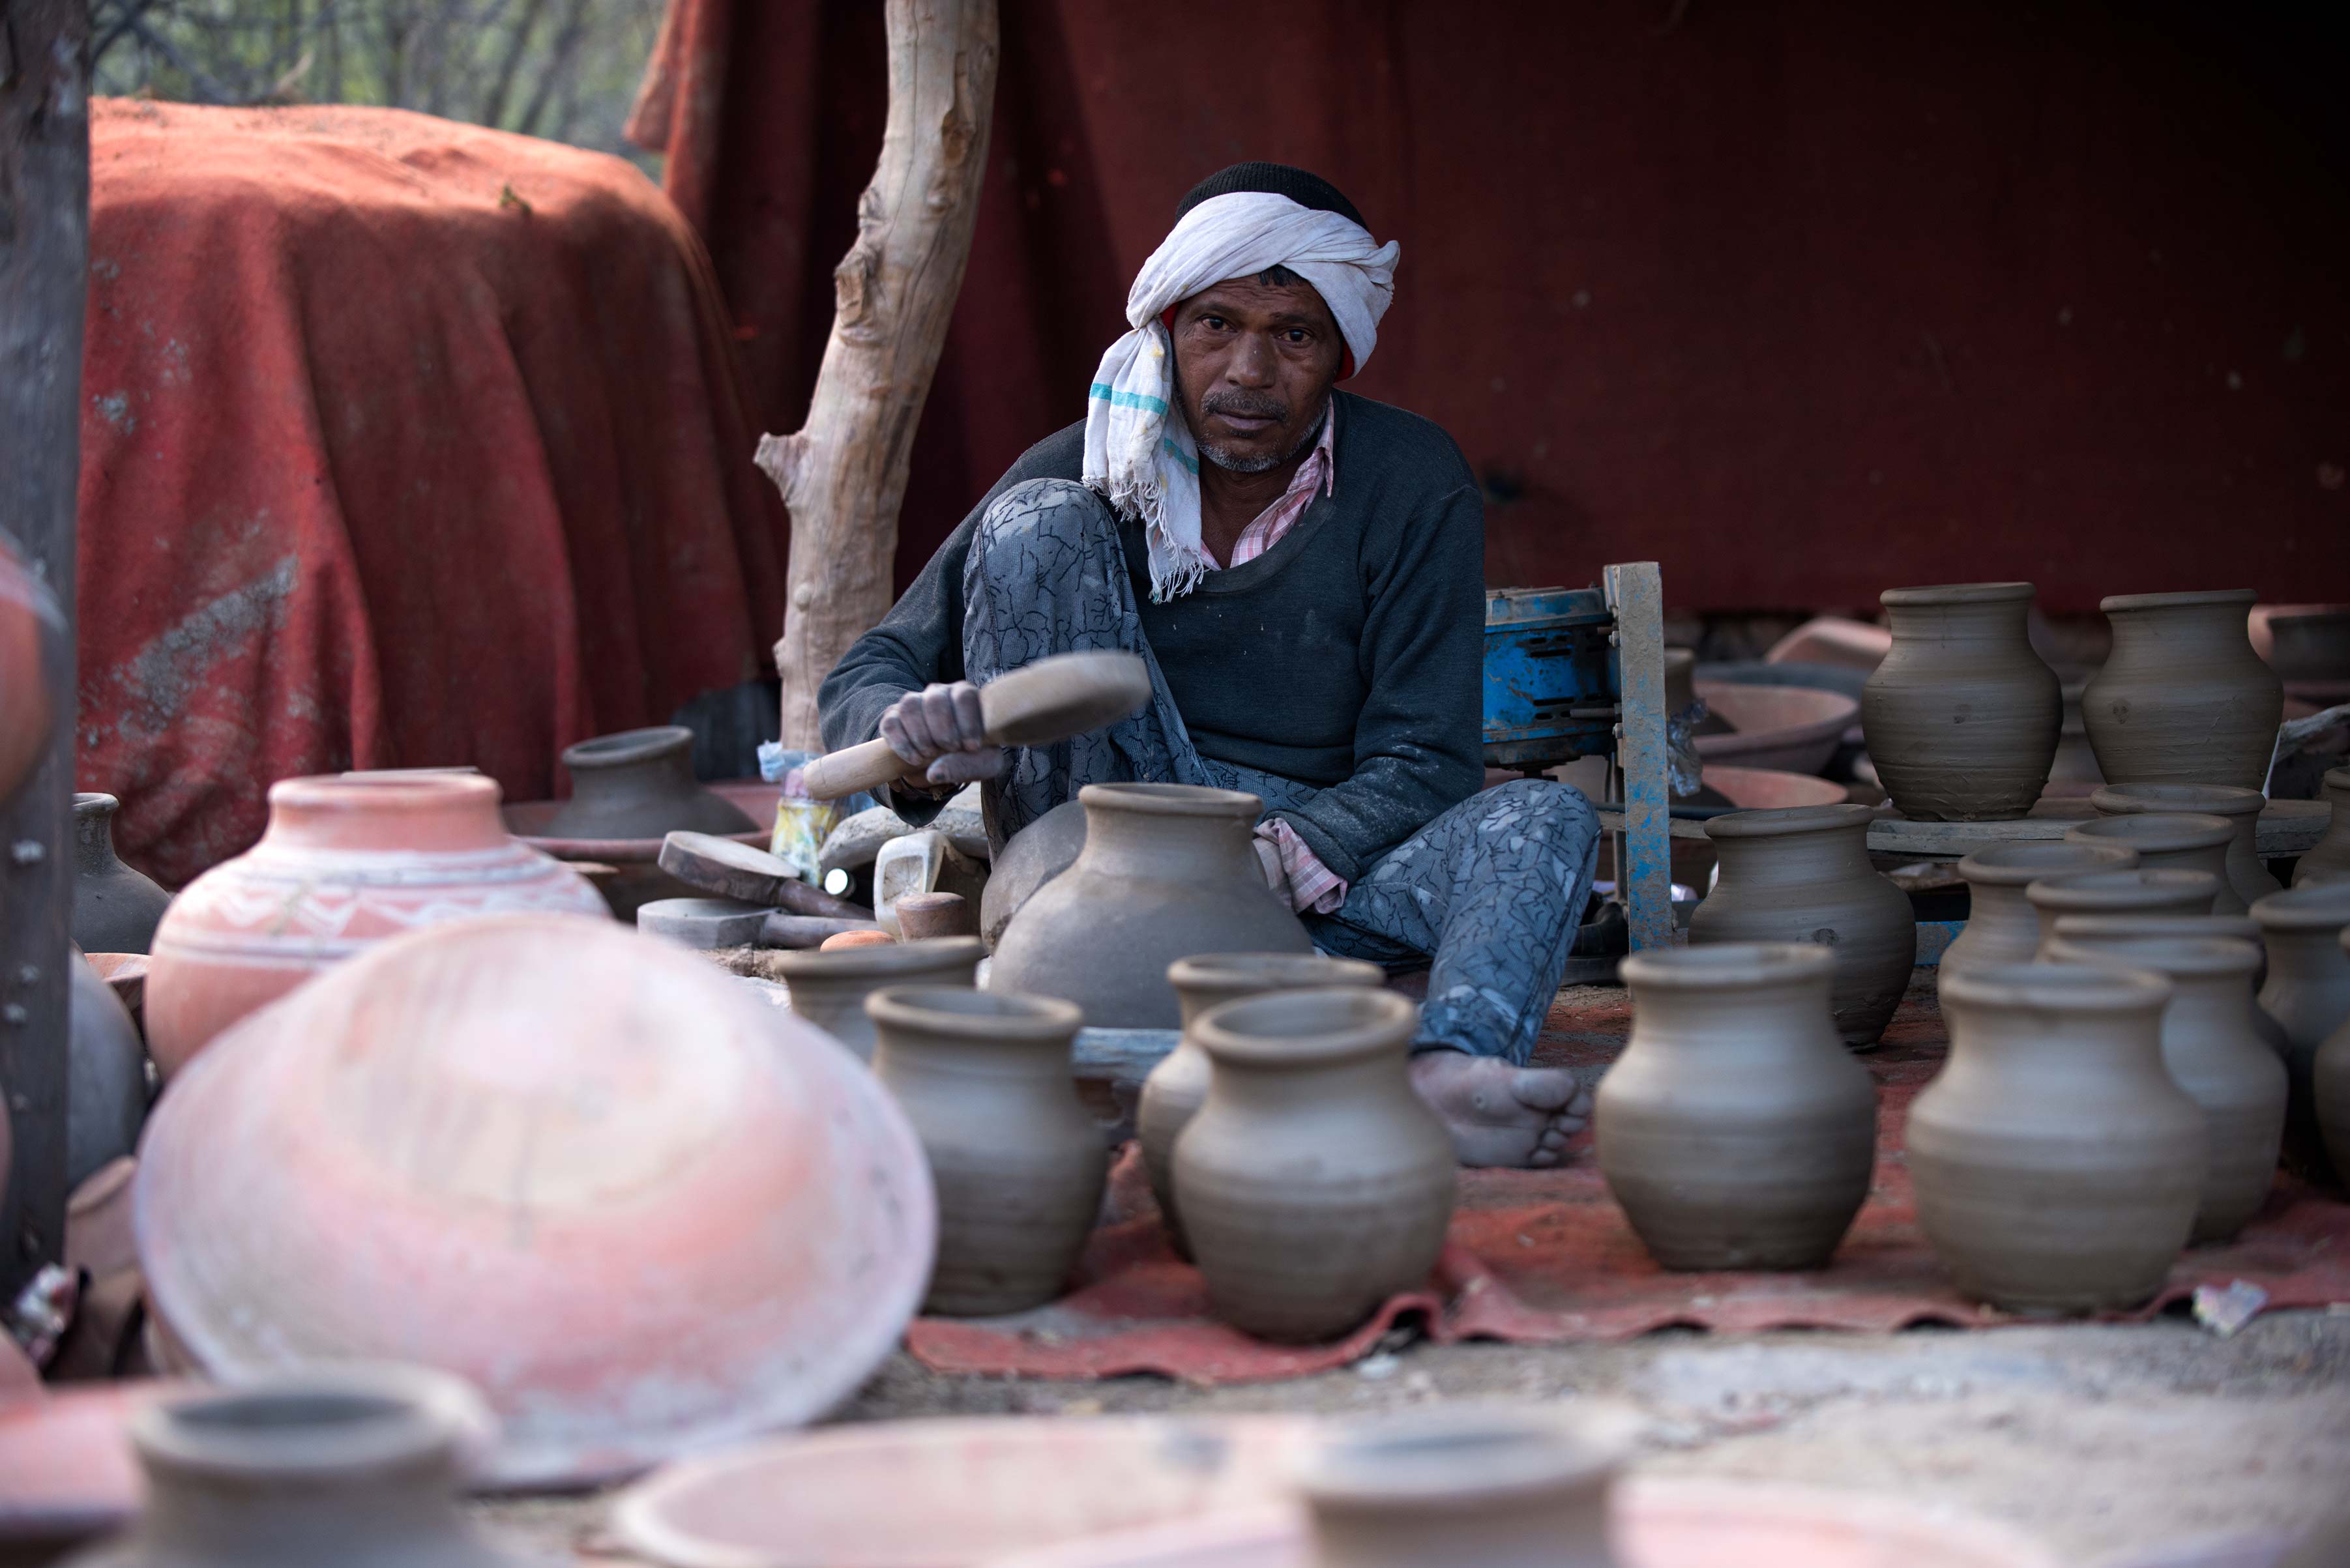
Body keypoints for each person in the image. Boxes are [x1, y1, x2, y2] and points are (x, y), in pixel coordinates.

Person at [819, 162, 1602, 1169]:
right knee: (1034, 526)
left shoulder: (1411, 481)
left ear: (1340, 351)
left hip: (1313, 875)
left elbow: (1425, 761)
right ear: (1166, 328)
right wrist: (913, 739)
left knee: (1544, 818)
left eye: (1294, 335)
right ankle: (1147, 1000)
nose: (1248, 370)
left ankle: (1447, 1071)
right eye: (1215, 325)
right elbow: (870, 669)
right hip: (1102, 868)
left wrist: (1270, 861)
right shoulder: (1084, 463)